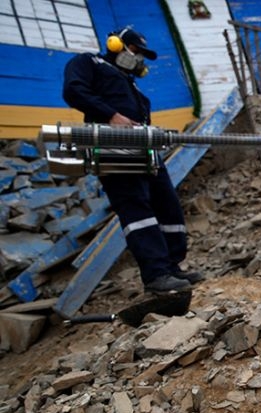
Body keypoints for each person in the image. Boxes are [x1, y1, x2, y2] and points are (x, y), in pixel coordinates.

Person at [63, 27, 203, 294]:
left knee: (167, 204)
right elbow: (73, 90)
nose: (137, 58)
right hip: (112, 146)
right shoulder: (89, 62)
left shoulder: (130, 82)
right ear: (116, 44)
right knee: (136, 209)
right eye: (135, 51)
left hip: (143, 147)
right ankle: (156, 274)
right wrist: (110, 115)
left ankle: (172, 265)